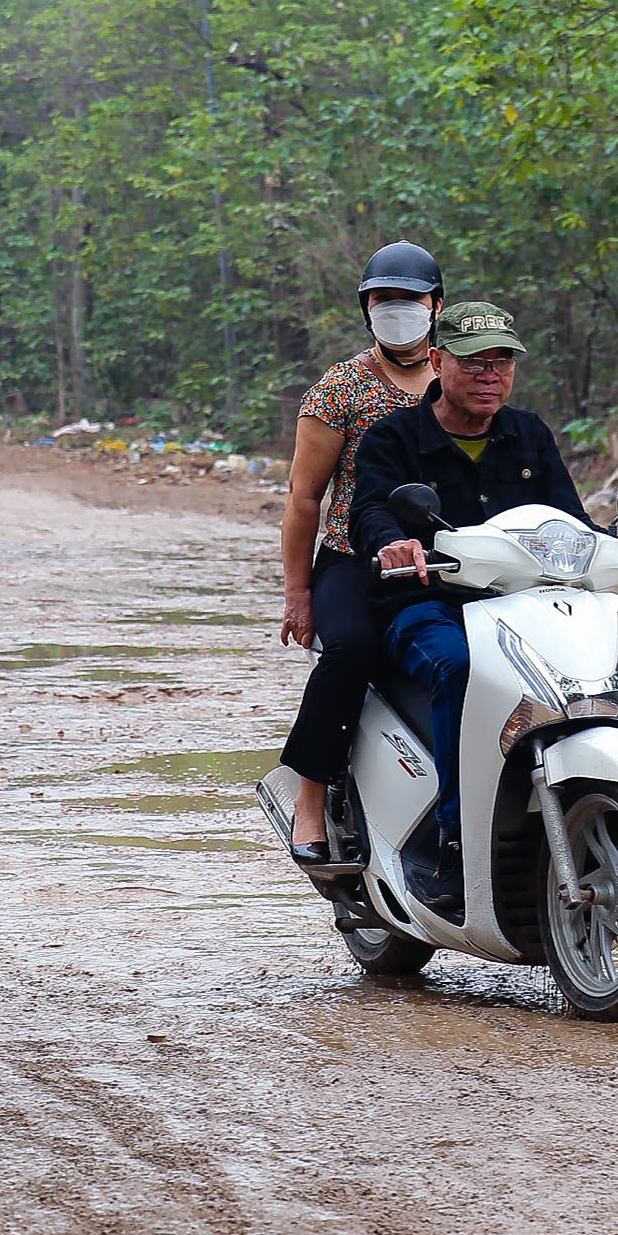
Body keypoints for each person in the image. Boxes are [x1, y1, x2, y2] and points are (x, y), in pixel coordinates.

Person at [350, 301, 618, 914]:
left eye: (502, 362)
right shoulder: (395, 438)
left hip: (522, 603)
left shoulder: (529, 434)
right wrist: (392, 543)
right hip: (428, 602)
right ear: (438, 362)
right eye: (474, 363)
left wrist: (616, 547)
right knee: (461, 670)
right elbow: (372, 509)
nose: (490, 375)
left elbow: (567, 518)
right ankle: (451, 838)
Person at [276, 241, 445, 863]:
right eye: (384, 300)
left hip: (447, 556)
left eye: (410, 299)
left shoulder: (460, 378)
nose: (397, 309)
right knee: (353, 649)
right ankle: (312, 796)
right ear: (366, 308)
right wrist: (299, 592)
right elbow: (304, 499)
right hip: (355, 557)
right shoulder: (340, 390)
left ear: (437, 306)